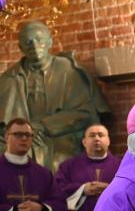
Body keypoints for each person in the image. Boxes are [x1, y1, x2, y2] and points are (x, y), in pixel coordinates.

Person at [0, 20, 110, 172]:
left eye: (39, 40)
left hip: (61, 135)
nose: (34, 46)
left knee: (63, 156)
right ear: (20, 47)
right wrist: (24, 132)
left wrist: (43, 126)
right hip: (24, 138)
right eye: (28, 42)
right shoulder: (9, 78)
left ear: (50, 42)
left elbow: (86, 112)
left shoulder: (68, 71)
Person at [0, 117, 62, 211]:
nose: (24, 138)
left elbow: (60, 203)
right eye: (18, 134)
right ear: (6, 137)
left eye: (28, 135)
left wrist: (41, 208)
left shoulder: (43, 174)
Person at [55, 124, 120, 211]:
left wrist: (110, 188)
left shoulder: (121, 165)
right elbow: (58, 189)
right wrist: (83, 189)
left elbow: (130, 190)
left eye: (101, 135)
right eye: (92, 135)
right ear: (84, 142)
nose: (97, 139)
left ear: (108, 141)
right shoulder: (68, 166)